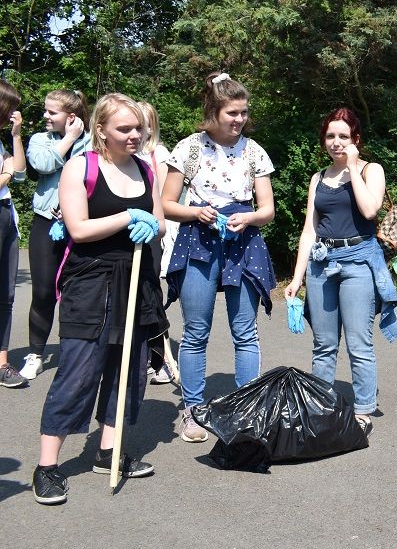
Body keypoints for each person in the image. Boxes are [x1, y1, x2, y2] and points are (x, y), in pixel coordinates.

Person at [32, 93, 167, 505]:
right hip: (90, 281)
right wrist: (128, 217)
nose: (134, 135)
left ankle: (108, 451)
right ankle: (47, 466)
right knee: (78, 370)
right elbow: (79, 228)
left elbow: (159, 222)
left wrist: (152, 227)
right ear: (101, 131)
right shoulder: (81, 166)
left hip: (137, 280)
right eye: (123, 129)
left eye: (138, 128)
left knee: (128, 370)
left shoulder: (146, 168)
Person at [161, 72, 276, 443]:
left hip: (243, 243)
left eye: (243, 112)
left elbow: (268, 209)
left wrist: (251, 217)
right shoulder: (188, 148)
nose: (240, 119)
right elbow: (165, 204)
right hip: (199, 242)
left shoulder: (254, 150)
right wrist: (195, 213)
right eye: (232, 113)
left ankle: (246, 408)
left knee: (245, 331)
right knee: (195, 332)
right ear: (213, 111)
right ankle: (193, 411)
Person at [284, 107, 397, 437]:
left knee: (359, 344)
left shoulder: (370, 170)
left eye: (344, 137)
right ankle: (321, 405)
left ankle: (363, 410)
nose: (336, 142)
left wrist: (351, 167)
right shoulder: (318, 178)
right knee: (323, 344)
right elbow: (309, 230)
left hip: (359, 261)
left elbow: (369, 209)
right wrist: (297, 278)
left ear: (356, 140)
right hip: (322, 262)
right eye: (331, 136)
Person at [22, 89, 90, 381]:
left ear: (71, 116)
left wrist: (77, 206)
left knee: (78, 293)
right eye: (46, 110)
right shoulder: (39, 140)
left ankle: (74, 353)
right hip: (45, 225)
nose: (46, 116)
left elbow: (96, 178)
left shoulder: (92, 143)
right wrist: (69, 139)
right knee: (43, 291)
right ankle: (36, 354)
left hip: (83, 225)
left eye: (52, 112)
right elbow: (43, 165)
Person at [137, 101, 177, 385]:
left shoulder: (158, 154)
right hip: (128, 232)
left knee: (150, 294)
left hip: (152, 232)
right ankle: (143, 357)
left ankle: (162, 360)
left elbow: (162, 198)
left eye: (144, 122)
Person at [0, 80, 27, 388]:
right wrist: (6, 173)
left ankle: (3, 362)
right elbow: (10, 174)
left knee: (6, 294)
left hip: (6, 214)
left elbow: (18, 170)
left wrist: (16, 135)